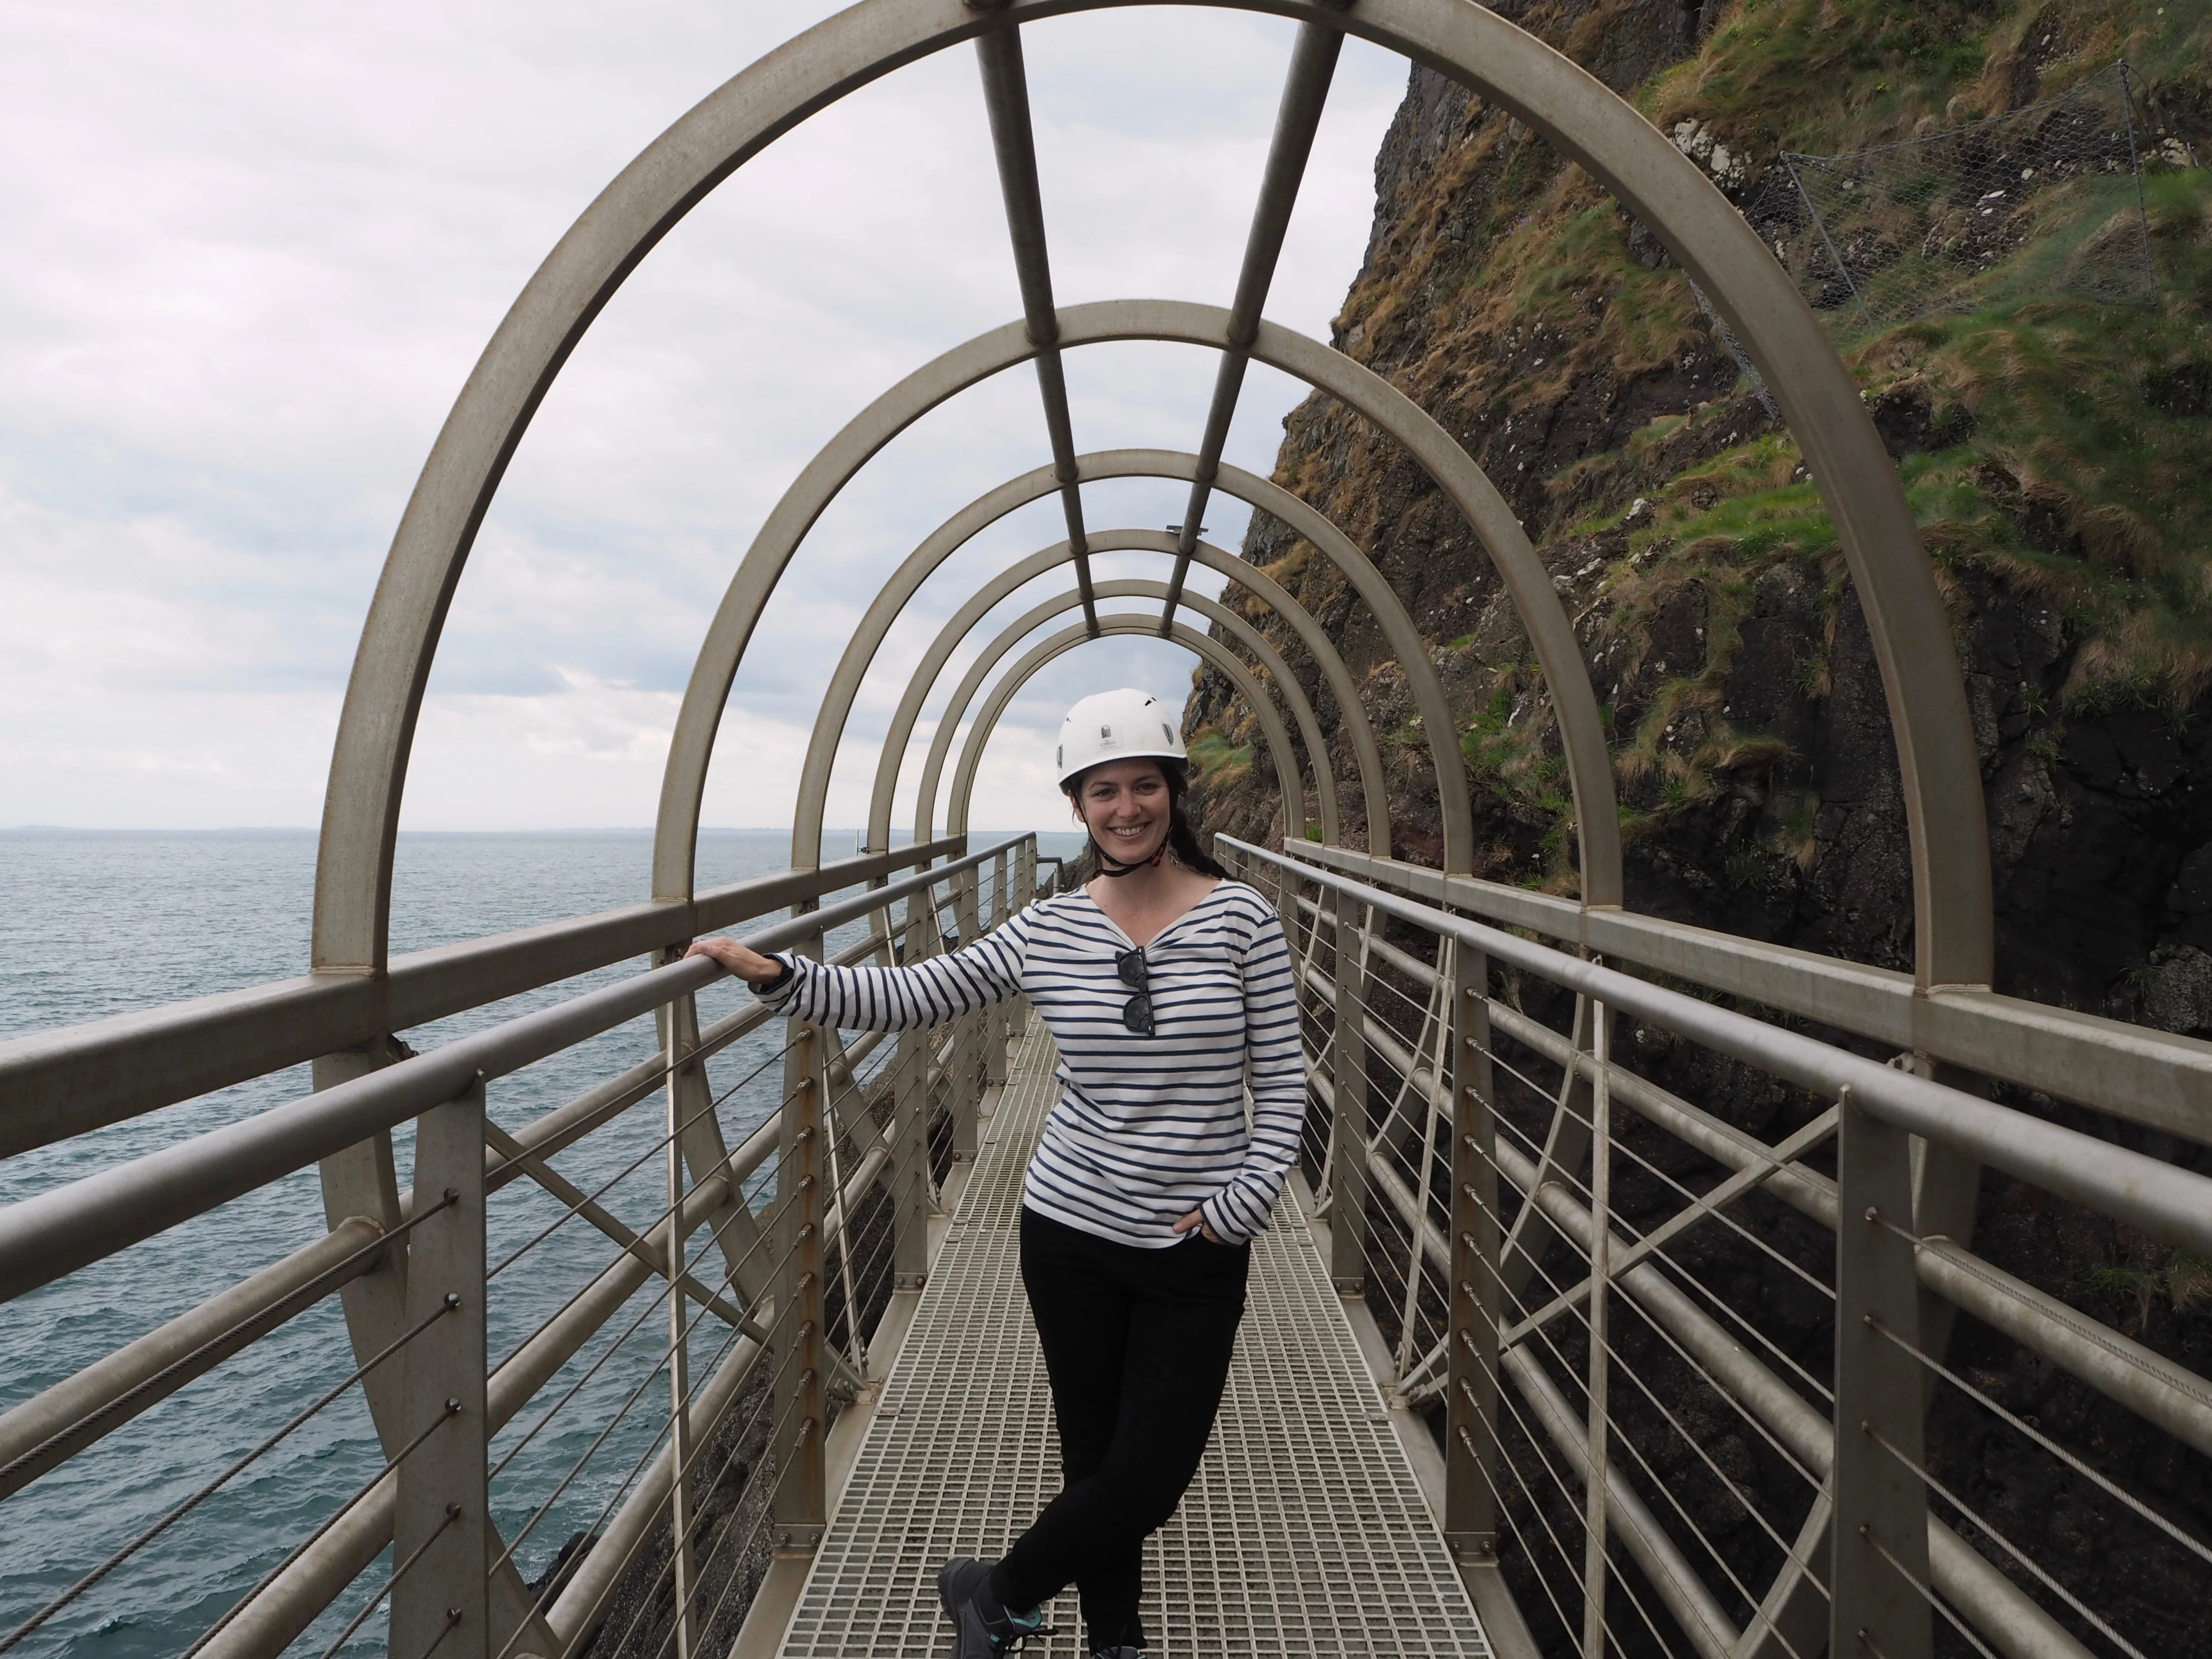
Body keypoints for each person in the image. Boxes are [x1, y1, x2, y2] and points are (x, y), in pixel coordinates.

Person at [687, 687, 1306, 1659]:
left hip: (1198, 1237)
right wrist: (781, 977)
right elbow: (916, 993)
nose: (1126, 808)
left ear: (1175, 794)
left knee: (1151, 1474)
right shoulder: (1050, 927)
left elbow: (1284, 1079)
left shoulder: (1241, 921)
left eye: (1145, 785)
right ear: (1077, 806)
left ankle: (994, 1589)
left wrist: (1242, 1201)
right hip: (1069, 1230)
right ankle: (1115, 1640)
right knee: (1093, 1454)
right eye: (1102, 791)